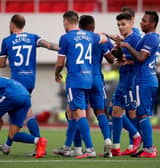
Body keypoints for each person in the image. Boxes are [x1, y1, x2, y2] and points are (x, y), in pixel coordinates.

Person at [0, 14, 59, 156]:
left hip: (16, 82)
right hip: (31, 80)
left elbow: (2, 65)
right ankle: (8, 145)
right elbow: (49, 45)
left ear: (12, 24)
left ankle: (21, 143)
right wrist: (65, 49)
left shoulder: (7, 41)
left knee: (17, 115)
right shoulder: (32, 37)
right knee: (27, 112)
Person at [54, 11, 108, 158]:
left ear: (66, 21)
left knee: (79, 114)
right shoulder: (90, 36)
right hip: (89, 78)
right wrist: (109, 36)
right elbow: (103, 38)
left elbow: (59, 63)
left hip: (75, 79)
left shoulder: (65, 38)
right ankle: (71, 147)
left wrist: (56, 73)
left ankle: (89, 149)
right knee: (71, 112)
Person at [71, 15, 114, 158]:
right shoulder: (98, 39)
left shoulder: (77, 38)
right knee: (100, 112)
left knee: (79, 112)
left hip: (82, 78)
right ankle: (108, 140)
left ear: (80, 26)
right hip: (96, 78)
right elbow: (110, 59)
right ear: (92, 26)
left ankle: (78, 147)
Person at [119, 11, 160, 158]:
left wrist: (127, 46)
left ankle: (149, 148)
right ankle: (148, 146)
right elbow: (139, 59)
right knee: (142, 113)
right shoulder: (150, 38)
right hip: (146, 79)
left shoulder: (151, 38)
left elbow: (142, 57)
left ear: (152, 23)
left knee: (142, 114)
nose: (141, 23)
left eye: (144, 21)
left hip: (144, 80)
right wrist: (127, 60)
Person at [110, 13, 142, 156]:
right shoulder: (125, 40)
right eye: (118, 25)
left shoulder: (134, 38)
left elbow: (141, 59)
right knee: (115, 111)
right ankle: (116, 147)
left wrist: (126, 61)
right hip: (123, 78)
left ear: (131, 24)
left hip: (130, 80)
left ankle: (137, 138)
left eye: (123, 24)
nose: (120, 27)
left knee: (130, 111)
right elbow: (124, 58)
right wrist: (116, 53)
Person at [0, 77, 47, 158]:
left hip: (12, 95)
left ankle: (6, 147)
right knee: (13, 135)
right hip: (25, 95)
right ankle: (39, 141)